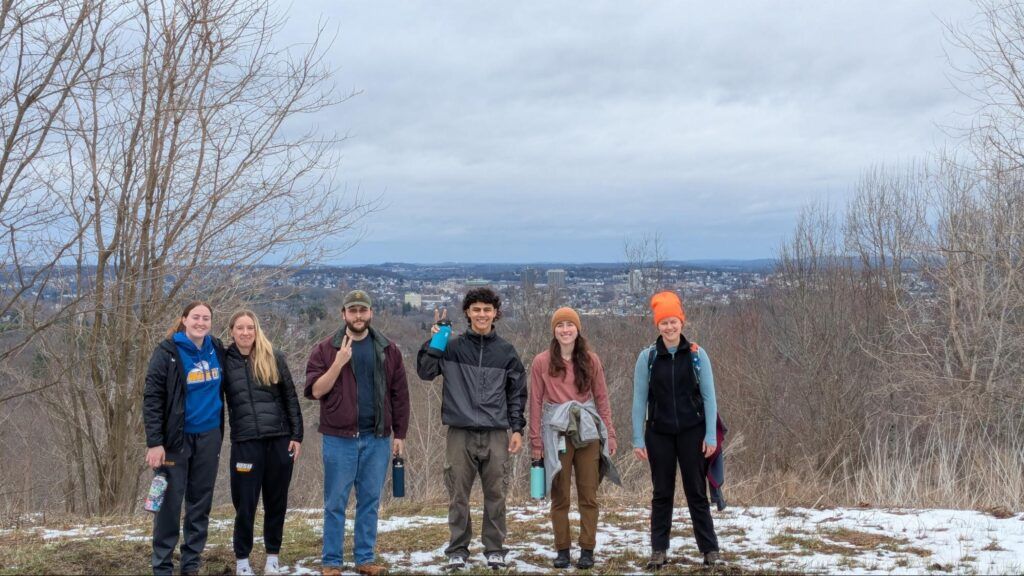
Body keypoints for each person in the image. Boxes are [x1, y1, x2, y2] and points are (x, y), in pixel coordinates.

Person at [416, 287, 527, 571]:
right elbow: (426, 372)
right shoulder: (451, 347)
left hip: (495, 432)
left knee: (496, 493)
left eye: (487, 310)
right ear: (467, 312)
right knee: (458, 494)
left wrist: (517, 429)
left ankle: (494, 548)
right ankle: (457, 548)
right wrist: (436, 340)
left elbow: (516, 394)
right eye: (476, 309)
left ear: (495, 314)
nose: (481, 314)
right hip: (460, 430)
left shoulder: (506, 352)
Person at [305, 290, 410, 576]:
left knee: (369, 501)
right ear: (344, 314)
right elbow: (315, 391)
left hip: (377, 438)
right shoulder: (325, 349)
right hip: (339, 439)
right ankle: (332, 561)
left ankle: (364, 558)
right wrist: (338, 363)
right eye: (353, 311)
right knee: (336, 502)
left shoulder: (388, 349)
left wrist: (399, 433)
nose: (359, 316)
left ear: (371, 313)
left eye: (363, 310)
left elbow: (399, 395)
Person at [632, 291, 722, 569]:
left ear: (682, 322)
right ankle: (659, 550)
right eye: (664, 323)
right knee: (662, 493)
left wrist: (710, 435)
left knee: (696, 491)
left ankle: (709, 550)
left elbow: (709, 397)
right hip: (658, 432)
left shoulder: (696, 354)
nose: (669, 327)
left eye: (673, 321)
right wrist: (637, 437)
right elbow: (639, 399)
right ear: (656, 326)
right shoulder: (647, 357)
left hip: (692, 432)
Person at [528, 307, 620, 569]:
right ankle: (563, 549)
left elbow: (602, 398)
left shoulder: (590, 360)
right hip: (556, 431)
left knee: (588, 494)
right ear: (554, 330)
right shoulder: (541, 362)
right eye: (560, 325)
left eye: (570, 325)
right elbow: (535, 402)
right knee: (560, 496)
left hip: (587, 431)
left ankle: (587, 549)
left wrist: (609, 434)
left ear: (578, 329)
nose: (565, 330)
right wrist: (536, 441)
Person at [143, 301, 226, 576]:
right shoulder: (168, 351)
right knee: (169, 503)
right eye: (195, 317)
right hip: (175, 442)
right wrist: (155, 442)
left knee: (200, 501)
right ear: (184, 320)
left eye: (206, 318)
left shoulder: (217, 348)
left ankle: (191, 564)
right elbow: (152, 398)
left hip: (209, 436)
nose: (201, 322)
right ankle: (163, 566)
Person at [223, 310, 304, 576]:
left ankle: (272, 557)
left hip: (279, 441)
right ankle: (242, 561)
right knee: (245, 504)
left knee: (276, 501)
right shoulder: (224, 360)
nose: (245, 332)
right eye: (240, 328)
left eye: (250, 327)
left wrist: (296, 435)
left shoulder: (273, 356)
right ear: (231, 331)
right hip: (245, 443)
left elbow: (290, 396)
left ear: (257, 330)